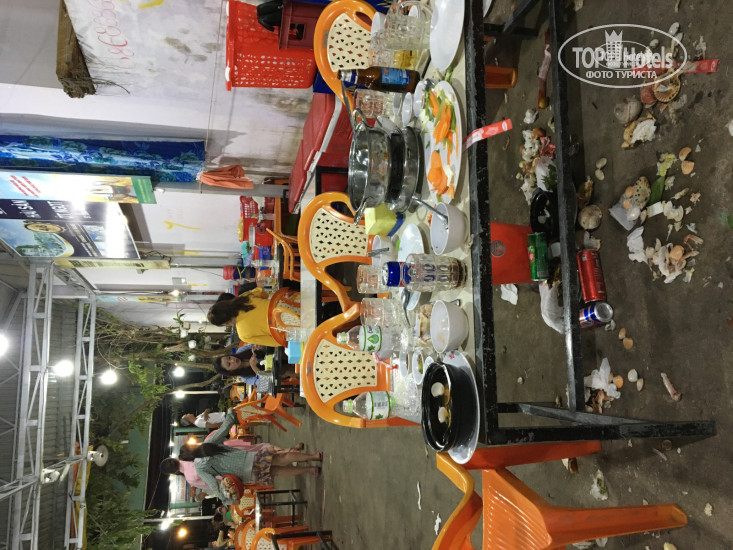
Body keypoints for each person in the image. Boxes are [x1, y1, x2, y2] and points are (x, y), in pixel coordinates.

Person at [166, 410, 323, 505]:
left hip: (246, 475)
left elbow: (214, 485)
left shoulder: (198, 471)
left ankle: (310, 469)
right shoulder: (206, 445)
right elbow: (224, 429)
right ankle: (313, 456)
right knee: (281, 458)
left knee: (277, 471)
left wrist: (228, 500)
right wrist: (230, 414)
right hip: (248, 457)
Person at [161, 439, 306, 493]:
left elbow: (214, 484)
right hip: (233, 453)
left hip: (237, 472)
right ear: (172, 458)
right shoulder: (186, 450)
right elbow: (210, 443)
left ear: (173, 472)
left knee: (274, 470)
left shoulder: (190, 478)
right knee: (267, 450)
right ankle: (292, 451)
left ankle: (296, 456)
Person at [207, 291, 279, 347]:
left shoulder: (243, 335)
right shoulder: (244, 297)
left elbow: (276, 342)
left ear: (225, 323)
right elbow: (264, 294)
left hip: (283, 327)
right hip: (283, 305)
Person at [213, 346, 298, 385]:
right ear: (229, 371)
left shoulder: (241, 350)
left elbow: (258, 344)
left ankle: (302, 356)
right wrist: (254, 367)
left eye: (229, 357)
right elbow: (265, 382)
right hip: (278, 371)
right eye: (229, 364)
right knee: (284, 370)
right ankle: (303, 371)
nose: (232, 360)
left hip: (277, 354)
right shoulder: (245, 378)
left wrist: (258, 346)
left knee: (282, 352)